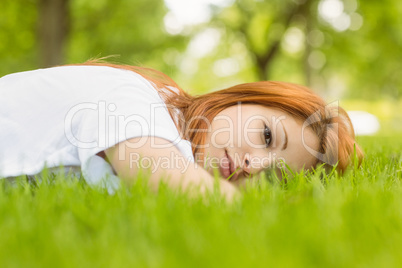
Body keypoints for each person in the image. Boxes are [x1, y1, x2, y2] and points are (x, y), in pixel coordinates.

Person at [0, 60, 363, 199]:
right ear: (239, 97)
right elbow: (158, 171)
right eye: (266, 136)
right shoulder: (137, 99)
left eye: (274, 177)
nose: (255, 165)